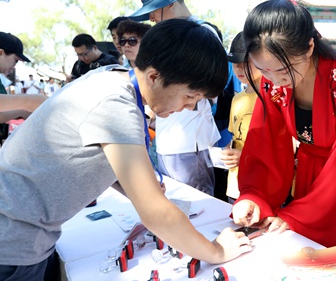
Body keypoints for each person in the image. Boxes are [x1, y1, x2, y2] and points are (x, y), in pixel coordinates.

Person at [0, 19, 252, 280]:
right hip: (13, 241)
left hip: (21, 233)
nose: (189, 108)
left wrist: (130, 184)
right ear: (154, 77)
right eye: (190, 97)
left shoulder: (109, 78)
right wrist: (217, 251)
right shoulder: (117, 103)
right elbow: (156, 214)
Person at [231, 0, 336, 268]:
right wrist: (254, 196)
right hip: (308, 181)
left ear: (310, 46)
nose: (274, 80)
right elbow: (264, 145)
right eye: (263, 70)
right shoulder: (271, 84)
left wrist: (299, 216)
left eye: (281, 70)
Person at [129, 0, 227, 197]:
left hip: (189, 142)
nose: (151, 18)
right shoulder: (165, 37)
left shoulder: (203, 35)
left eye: (153, 10)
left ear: (170, 2)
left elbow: (207, 92)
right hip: (166, 138)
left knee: (195, 205)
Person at [219, 32, 263, 203]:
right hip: (235, 185)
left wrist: (244, 156)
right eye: (235, 63)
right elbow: (234, 137)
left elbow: (282, 149)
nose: (238, 68)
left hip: (260, 186)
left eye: (245, 62)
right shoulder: (236, 99)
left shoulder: (272, 99)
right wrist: (227, 152)